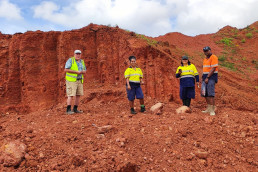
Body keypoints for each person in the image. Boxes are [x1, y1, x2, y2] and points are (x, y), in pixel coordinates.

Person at [64, 50, 86, 114]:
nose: (78, 55)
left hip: (79, 80)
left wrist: (82, 72)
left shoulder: (82, 61)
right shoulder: (71, 60)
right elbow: (66, 69)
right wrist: (76, 72)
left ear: (81, 55)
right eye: (77, 54)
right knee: (71, 95)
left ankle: (75, 109)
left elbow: (85, 70)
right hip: (71, 81)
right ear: (74, 54)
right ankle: (68, 110)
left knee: (78, 95)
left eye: (79, 54)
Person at [201, 46, 219, 116]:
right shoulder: (205, 59)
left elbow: (213, 68)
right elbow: (205, 69)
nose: (206, 52)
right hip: (205, 77)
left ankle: (212, 109)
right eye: (205, 51)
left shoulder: (213, 57)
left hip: (211, 77)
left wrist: (208, 77)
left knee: (210, 93)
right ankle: (209, 108)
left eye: (207, 51)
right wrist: (203, 77)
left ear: (210, 50)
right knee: (204, 93)